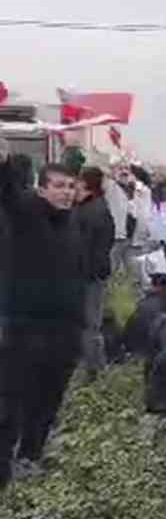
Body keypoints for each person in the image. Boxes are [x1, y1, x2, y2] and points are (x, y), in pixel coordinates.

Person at [0, 156, 86, 488]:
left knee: (48, 400)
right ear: (41, 189)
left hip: (65, 332)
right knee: (12, 401)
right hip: (25, 328)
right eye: (59, 186)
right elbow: (6, 188)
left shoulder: (72, 223)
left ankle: (30, 457)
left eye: (70, 186)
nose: (66, 193)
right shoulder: (25, 215)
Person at [74, 166, 115, 377]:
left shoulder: (90, 209)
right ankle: (94, 367)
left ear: (85, 183)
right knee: (90, 322)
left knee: (90, 324)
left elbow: (95, 245)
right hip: (89, 274)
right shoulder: (97, 207)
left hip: (87, 274)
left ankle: (95, 368)